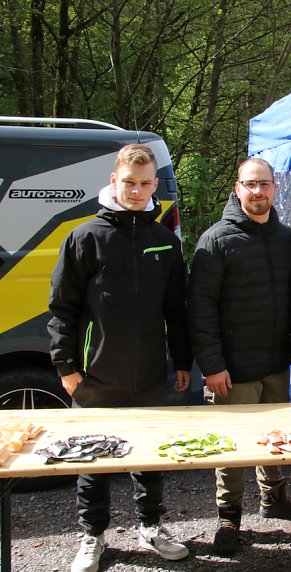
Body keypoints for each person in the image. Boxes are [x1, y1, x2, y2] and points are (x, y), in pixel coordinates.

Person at [47, 144, 192, 572]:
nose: (137, 191)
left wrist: (181, 362)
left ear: (153, 186)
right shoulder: (85, 236)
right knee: (92, 459)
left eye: (146, 183)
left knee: (149, 454)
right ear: (114, 181)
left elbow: (176, 311)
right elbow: (62, 309)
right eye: (129, 182)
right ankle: (92, 536)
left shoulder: (164, 241)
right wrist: (65, 367)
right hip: (95, 375)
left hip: (149, 373)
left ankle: (151, 526)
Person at [187, 158, 291, 556]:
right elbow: (200, 309)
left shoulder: (286, 238)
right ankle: (229, 514)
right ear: (237, 187)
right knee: (234, 446)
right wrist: (212, 366)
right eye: (251, 185)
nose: (258, 192)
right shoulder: (216, 240)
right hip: (232, 370)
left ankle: (274, 499)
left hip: (275, 362)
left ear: (275, 188)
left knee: (275, 440)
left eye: (265, 185)